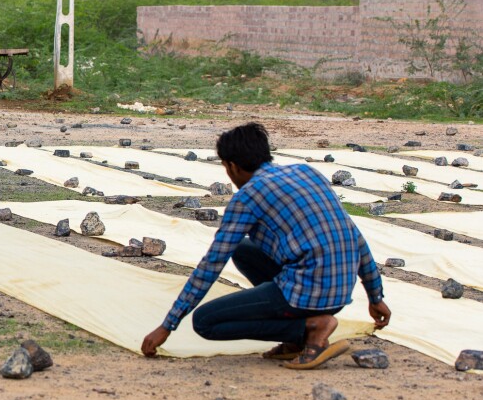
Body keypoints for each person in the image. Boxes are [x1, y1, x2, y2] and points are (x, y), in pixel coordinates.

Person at [141, 122, 391, 369]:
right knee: (243, 250)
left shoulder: (247, 197)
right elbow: (354, 238)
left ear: (232, 166)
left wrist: (168, 325)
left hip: (307, 295)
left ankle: (311, 328)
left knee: (205, 321)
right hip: (339, 291)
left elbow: (212, 264)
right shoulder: (308, 173)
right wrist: (375, 295)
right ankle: (296, 339)